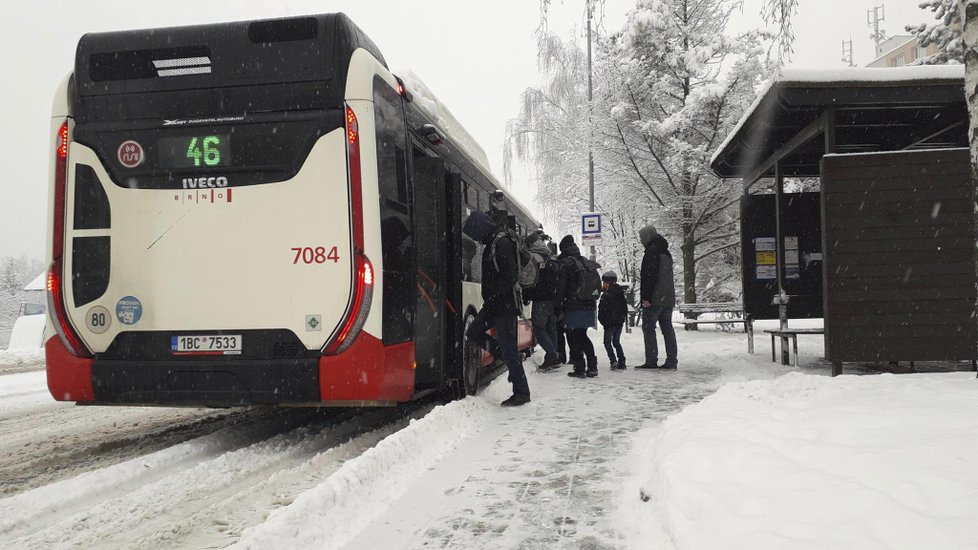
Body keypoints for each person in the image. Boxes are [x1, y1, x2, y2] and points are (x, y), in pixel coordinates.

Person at [462, 210, 531, 406]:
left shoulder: (500, 243)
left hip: (503, 305)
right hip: (494, 304)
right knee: (474, 332)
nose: (476, 240)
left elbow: (509, 277)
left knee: (507, 347)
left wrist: (493, 296)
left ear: (480, 228)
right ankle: (511, 359)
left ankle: (522, 392)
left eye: (475, 234)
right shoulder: (493, 241)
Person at [554, 235, 599, 378]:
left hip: (574, 305)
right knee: (582, 335)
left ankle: (579, 367)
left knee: (573, 337)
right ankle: (592, 366)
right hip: (589, 305)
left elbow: (561, 287)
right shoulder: (585, 262)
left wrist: (557, 305)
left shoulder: (567, 264)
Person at [636, 224, 678, 369]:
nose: (640, 240)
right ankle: (672, 360)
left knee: (648, 328)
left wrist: (646, 298)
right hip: (668, 298)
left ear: (648, 236)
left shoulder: (651, 253)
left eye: (642, 237)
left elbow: (649, 277)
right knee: (667, 328)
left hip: (654, 298)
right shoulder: (666, 252)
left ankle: (651, 360)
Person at [522, 232, 561, 371]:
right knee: (551, 328)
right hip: (552, 299)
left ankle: (552, 355)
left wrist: (525, 295)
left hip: (540, 299)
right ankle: (554, 357)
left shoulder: (532, 257)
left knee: (538, 329)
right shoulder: (549, 255)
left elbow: (528, 279)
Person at [598, 271, 628, 370]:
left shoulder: (606, 296)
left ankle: (613, 360)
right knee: (616, 342)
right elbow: (624, 309)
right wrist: (621, 318)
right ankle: (622, 361)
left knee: (607, 342)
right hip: (618, 322)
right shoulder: (620, 293)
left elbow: (602, 310)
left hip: (609, 323)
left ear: (607, 283)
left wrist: (603, 320)